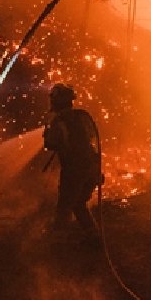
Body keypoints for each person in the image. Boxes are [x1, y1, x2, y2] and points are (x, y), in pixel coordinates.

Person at [43, 83, 104, 235]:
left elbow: (51, 143)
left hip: (74, 171)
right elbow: (92, 140)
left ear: (56, 102)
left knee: (64, 208)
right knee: (78, 204)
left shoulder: (59, 121)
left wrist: (48, 128)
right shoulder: (82, 116)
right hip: (91, 168)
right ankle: (93, 237)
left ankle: (59, 243)